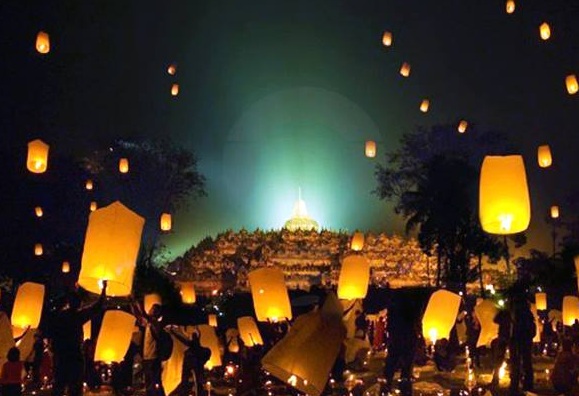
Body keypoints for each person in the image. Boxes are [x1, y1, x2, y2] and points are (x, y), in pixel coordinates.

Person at [49, 280, 107, 396]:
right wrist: (104, 289)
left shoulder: (61, 316)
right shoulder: (77, 316)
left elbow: (53, 333)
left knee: (59, 385)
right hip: (74, 355)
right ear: (79, 304)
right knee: (74, 386)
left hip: (62, 355)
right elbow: (97, 306)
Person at [133, 301, 166, 396]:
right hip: (147, 358)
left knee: (153, 382)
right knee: (149, 383)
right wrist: (132, 303)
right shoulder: (149, 324)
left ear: (155, 312)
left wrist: (138, 302)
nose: (150, 310)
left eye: (152, 309)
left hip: (153, 358)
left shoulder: (155, 324)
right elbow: (139, 316)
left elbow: (143, 314)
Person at [168, 328, 211, 396]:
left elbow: (183, 339)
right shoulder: (197, 350)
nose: (191, 335)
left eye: (193, 335)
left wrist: (174, 333)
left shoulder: (192, 348)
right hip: (194, 362)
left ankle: (188, 393)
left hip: (192, 362)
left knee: (192, 381)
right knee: (195, 381)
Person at [508, 286, 536, 395]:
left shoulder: (520, 314)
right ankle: (525, 384)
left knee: (518, 363)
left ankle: (517, 385)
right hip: (523, 340)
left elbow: (522, 328)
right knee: (525, 363)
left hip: (519, 340)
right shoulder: (527, 314)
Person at [491, 309, 511, 387]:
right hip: (505, 336)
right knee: (499, 358)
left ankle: (514, 378)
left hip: (507, 336)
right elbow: (495, 320)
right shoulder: (505, 312)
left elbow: (496, 320)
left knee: (500, 358)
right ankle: (496, 379)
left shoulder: (506, 312)